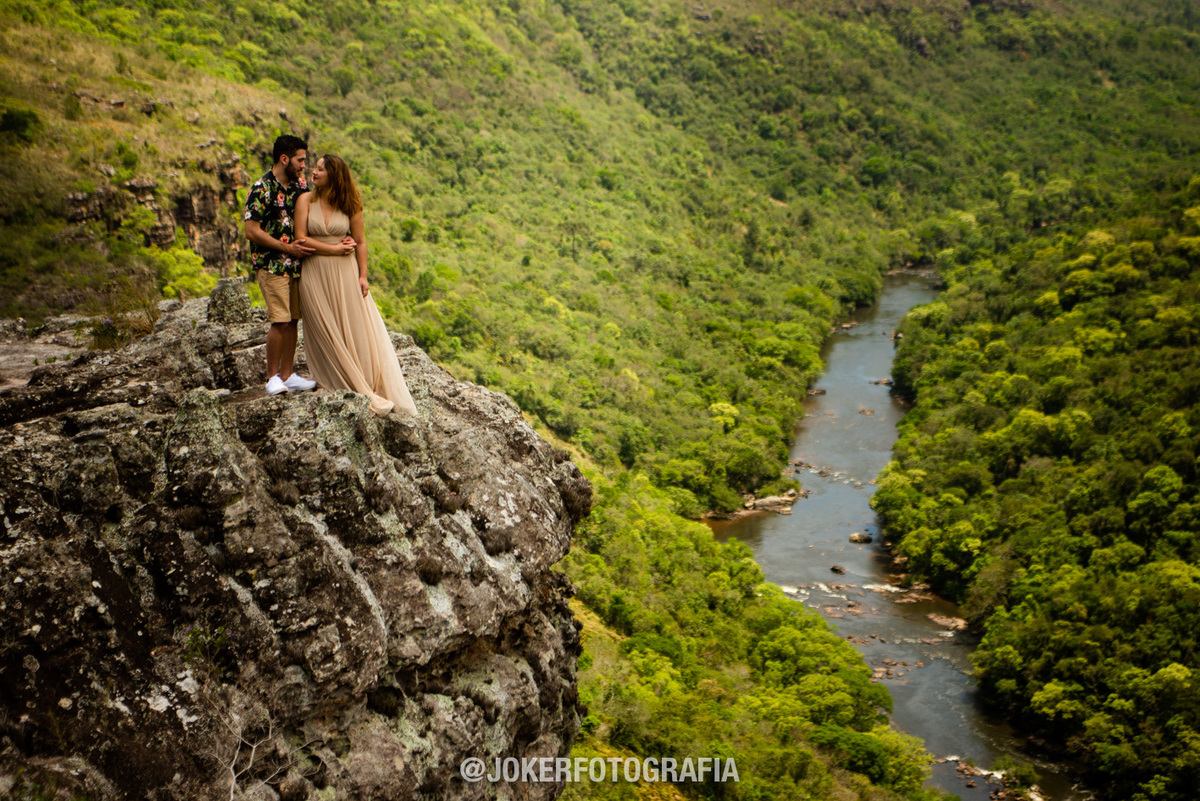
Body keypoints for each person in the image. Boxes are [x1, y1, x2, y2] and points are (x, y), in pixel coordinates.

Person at [293, 155, 418, 417]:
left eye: (320, 169)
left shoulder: (350, 203)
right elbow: (301, 240)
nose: (313, 172)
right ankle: (332, 376)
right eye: (314, 167)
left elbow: (360, 241)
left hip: (346, 273)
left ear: (334, 176)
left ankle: (361, 378)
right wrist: (334, 249)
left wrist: (363, 276)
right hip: (314, 271)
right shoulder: (305, 200)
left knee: (351, 325)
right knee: (322, 326)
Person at [243, 134, 318, 395]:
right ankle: (272, 377)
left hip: (296, 266)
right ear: (284, 159)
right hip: (271, 265)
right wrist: (286, 247)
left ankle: (288, 374)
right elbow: (251, 231)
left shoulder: (299, 187)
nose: (302, 166)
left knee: (294, 319)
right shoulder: (261, 189)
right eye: (299, 160)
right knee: (280, 320)